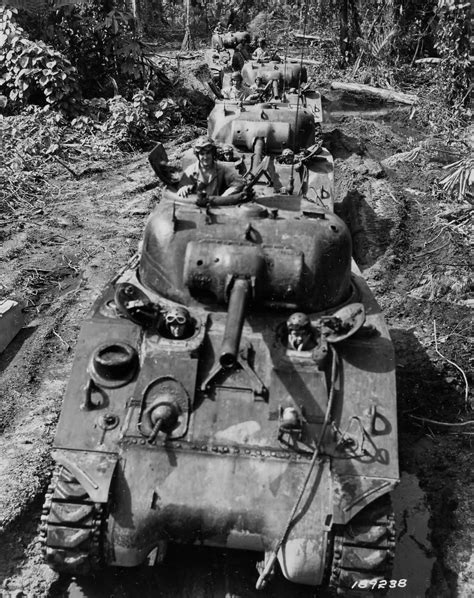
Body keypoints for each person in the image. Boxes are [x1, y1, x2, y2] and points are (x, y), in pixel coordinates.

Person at [177, 136, 245, 204]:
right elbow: (181, 188)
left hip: (216, 207)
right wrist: (183, 188)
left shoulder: (222, 168)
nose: (205, 157)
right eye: (202, 154)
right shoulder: (191, 170)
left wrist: (224, 197)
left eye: (208, 153)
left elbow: (239, 183)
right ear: (198, 155)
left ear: (213, 154)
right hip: (196, 206)